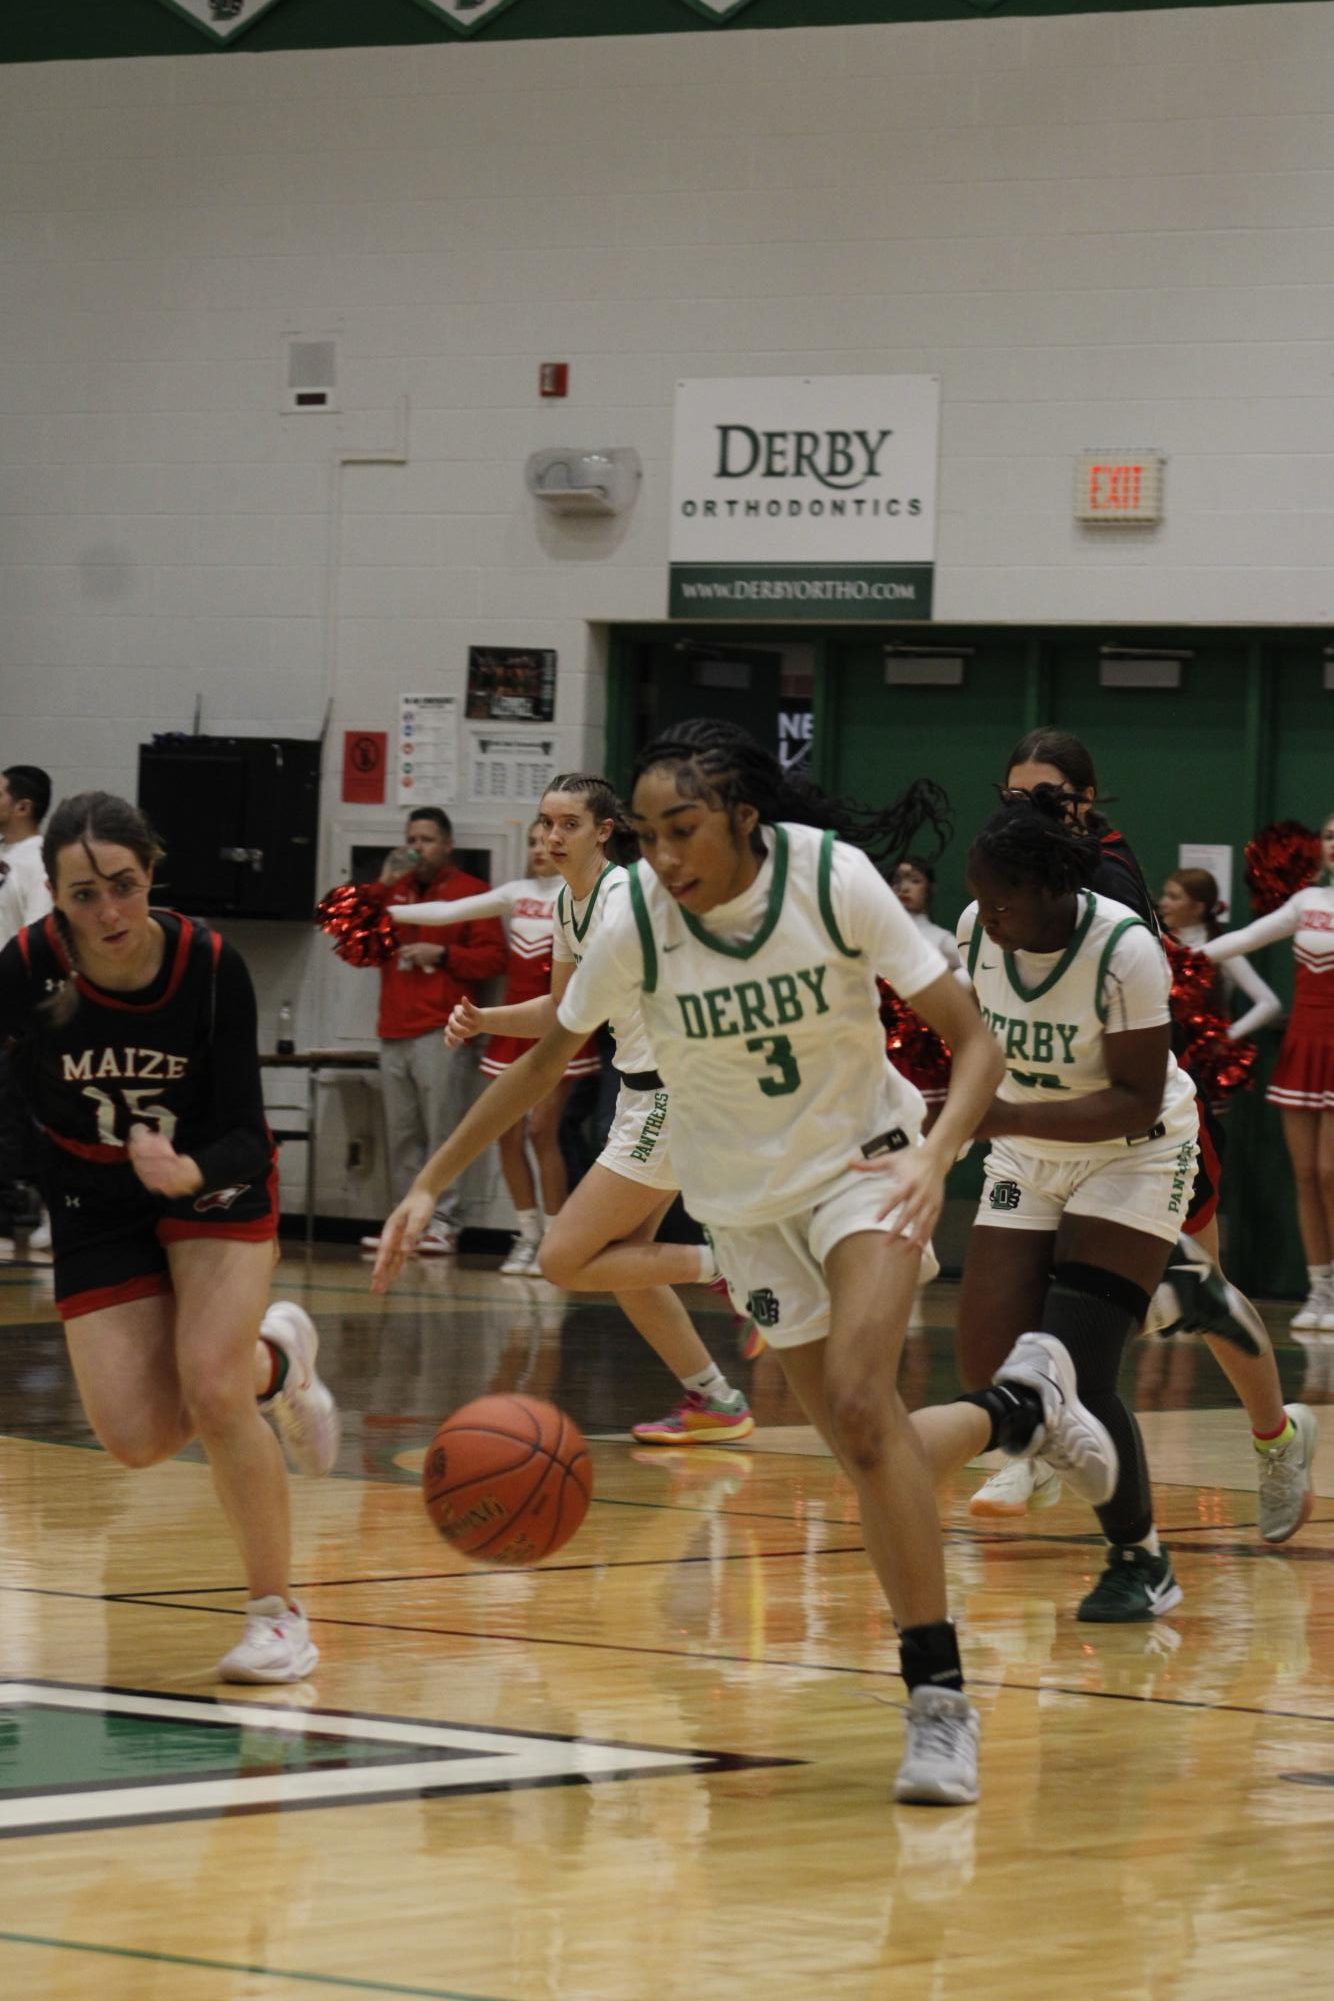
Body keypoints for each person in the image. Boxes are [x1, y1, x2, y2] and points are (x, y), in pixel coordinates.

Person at [372, 722, 1113, 1807]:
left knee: (862, 1404)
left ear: (743, 823)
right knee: (868, 1451)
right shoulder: (632, 919)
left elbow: (974, 1039)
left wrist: (939, 1153)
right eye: (649, 835)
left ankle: (937, 1699)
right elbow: (545, 1059)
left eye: (682, 832)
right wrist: (431, 1181)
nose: (662, 857)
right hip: (743, 1210)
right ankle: (1020, 1408)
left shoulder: (830, 881)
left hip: (866, 1171)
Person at [0, 792, 340, 1681]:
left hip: (211, 1183)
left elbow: (241, 1124)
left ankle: (277, 1617)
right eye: (83, 894)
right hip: (92, 1194)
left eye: (123, 885)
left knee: (213, 1387)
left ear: (150, 872)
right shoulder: (28, 968)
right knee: (138, 1438)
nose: (108, 912)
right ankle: (281, 1358)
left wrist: (189, 1171)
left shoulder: (207, 963)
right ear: (54, 893)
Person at [969, 733, 1316, 1544]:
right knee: (1055, 1299)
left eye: (1047, 793)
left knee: (1208, 1292)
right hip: (1048, 1126)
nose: (1029, 806)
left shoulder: (1106, 883)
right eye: (1015, 793)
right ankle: (1040, 1434)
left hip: (1138, 1113)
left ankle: (1277, 1437)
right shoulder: (999, 887)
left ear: (1086, 798)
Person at [910, 790, 1204, 1619]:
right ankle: (1179, 1292)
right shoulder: (977, 928)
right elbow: (975, 1042)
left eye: (1003, 900)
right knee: (988, 1366)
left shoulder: (1123, 948)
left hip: (1132, 1154)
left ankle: (1140, 1559)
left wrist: (998, 1113)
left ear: (1051, 891)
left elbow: (1139, 1099)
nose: (988, 915)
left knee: (1073, 1365)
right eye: (980, 896)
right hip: (1028, 1154)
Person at [443, 773, 754, 1447]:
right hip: (639, 1094)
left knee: (562, 1257)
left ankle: (741, 1266)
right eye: (545, 823)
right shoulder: (566, 906)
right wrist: (484, 1018)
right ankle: (715, 1397)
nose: (551, 836)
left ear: (604, 830)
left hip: (675, 1094)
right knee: (626, 1263)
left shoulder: (626, 897)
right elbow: (563, 1014)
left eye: (568, 824)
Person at [386, 818, 601, 1277]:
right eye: (531, 841)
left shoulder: (583, 896)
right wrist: (385, 912)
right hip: (512, 1027)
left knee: (543, 1130)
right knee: (505, 1132)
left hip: (560, 1023)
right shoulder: (515, 893)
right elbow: (448, 912)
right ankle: (527, 1236)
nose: (539, 849)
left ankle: (555, 1237)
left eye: (547, 841)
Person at [343, 809, 506, 1257]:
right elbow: (352, 939)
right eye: (412, 838)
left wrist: (445, 953)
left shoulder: (472, 894)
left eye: (428, 839)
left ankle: (444, 1223)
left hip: (442, 1029)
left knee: (443, 1132)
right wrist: (380, 884)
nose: (419, 847)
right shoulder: (392, 894)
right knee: (401, 1136)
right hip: (393, 1027)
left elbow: (494, 959)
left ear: (447, 844)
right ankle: (406, 1223)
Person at [1199, 812, 1334, 1333]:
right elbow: (1245, 939)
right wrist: (1174, 957)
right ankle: (1318, 1289)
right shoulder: (1307, 903)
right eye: (1327, 837)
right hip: (1304, 1045)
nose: (1332, 846)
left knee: (1329, 1172)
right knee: (1305, 1174)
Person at [0, 764, 53, 1256]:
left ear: (22, 806)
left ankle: (55, 1210)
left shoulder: (37, 861)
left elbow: (35, 937)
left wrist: (24, 1011)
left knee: (23, 1114)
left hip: (18, 1006)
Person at [1158, 867, 1282, 1047]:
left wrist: (1225, 1037)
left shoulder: (1221, 949)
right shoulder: (1158, 941)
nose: (1163, 903)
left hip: (1202, 1062)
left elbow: (1270, 1004)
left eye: (1174, 897)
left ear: (1198, 908)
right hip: (1162, 1053)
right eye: (1165, 895)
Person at [890, 856, 965, 976]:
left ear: (929, 888)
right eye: (897, 881)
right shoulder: (877, 933)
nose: (904, 888)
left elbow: (972, 971)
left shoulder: (941, 939)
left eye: (915, 881)